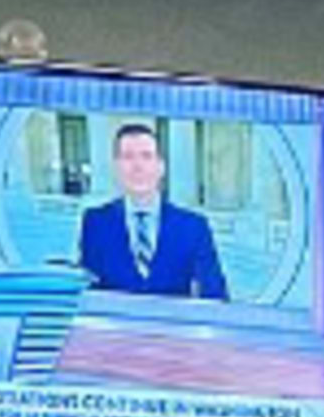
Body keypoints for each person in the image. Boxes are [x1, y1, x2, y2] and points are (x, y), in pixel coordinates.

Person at [74, 119, 229, 300]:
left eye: (146, 156)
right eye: (128, 157)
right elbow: (87, 297)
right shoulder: (95, 223)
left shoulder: (193, 227)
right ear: (116, 167)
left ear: (161, 167)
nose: (137, 166)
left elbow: (216, 298)